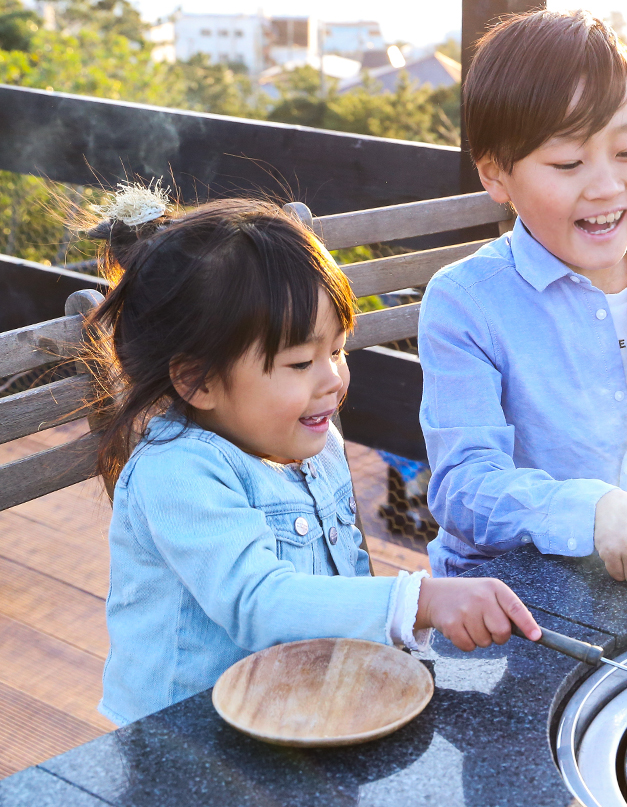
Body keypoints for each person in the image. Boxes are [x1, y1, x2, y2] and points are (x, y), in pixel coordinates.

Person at [84, 188, 540, 726]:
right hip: (184, 739)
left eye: (339, 349)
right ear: (196, 380)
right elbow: (260, 602)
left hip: (299, 707)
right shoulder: (176, 473)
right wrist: (417, 601)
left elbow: (339, 580)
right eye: (301, 362)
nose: (335, 379)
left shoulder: (314, 445)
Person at [418, 9, 627, 589]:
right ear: (495, 177)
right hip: (503, 600)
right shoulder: (465, 303)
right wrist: (594, 512)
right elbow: (464, 489)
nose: (607, 185)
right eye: (568, 162)